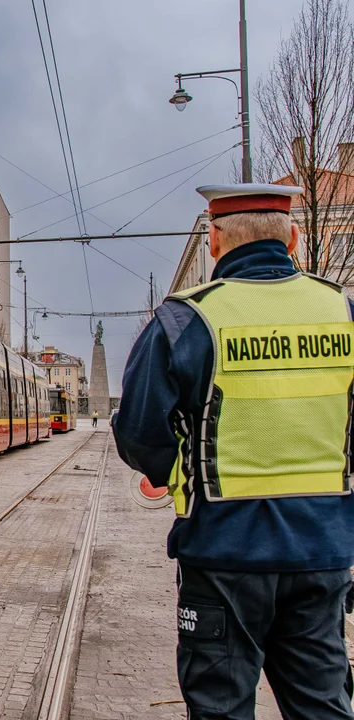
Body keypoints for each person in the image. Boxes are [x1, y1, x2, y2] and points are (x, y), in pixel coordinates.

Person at [114, 183, 354, 720]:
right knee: (322, 705)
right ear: (294, 238)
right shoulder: (343, 311)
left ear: (216, 240)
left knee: (220, 706)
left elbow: (136, 431)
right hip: (322, 550)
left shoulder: (184, 320)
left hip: (223, 553)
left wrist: (177, 474)